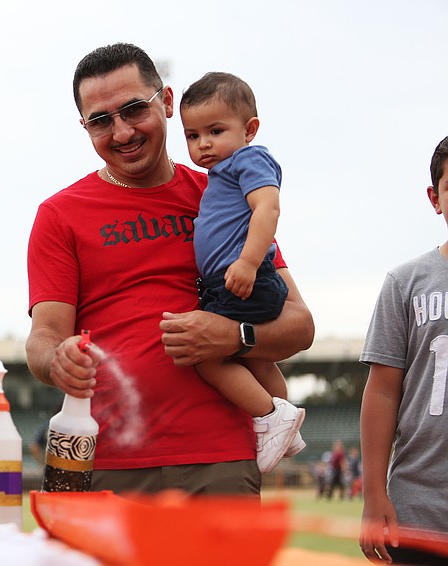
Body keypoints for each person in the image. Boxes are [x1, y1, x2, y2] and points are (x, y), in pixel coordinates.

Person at [26, 42, 314, 496]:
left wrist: (235, 337)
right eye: (101, 120)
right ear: (84, 127)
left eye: (133, 109)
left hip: (219, 459)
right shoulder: (60, 214)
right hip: (106, 460)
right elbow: (44, 337)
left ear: (165, 102)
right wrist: (55, 360)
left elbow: (300, 325)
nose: (121, 132)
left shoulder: (225, 194)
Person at [179, 72, 305, 474]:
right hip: (232, 280)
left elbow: (268, 208)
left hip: (242, 279)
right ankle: (285, 419)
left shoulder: (250, 158)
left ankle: (270, 417)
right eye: (193, 136)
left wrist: (249, 263)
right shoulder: (221, 174)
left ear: (249, 128)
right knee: (257, 361)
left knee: (206, 358)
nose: (204, 144)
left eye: (215, 130)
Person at [359, 135, 448, 565]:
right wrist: (374, 494)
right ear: (435, 198)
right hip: (420, 506)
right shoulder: (406, 282)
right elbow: (382, 391)